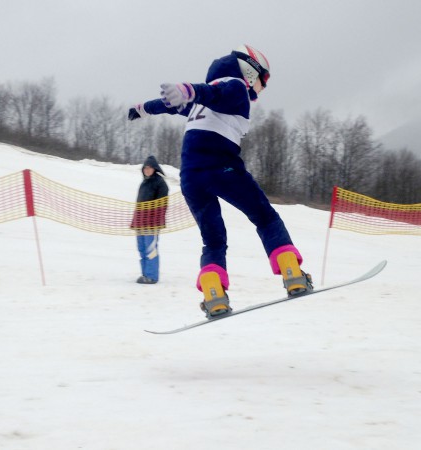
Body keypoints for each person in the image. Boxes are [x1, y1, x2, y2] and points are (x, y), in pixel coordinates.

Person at [127, 44, 313, 317]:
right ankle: (292, 273)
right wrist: (189, 89)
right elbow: (215, 92)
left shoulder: (199, 102)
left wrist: (143, 108)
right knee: (265, 217)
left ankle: (214, 295)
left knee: (213, 240)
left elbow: (170, 105)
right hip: (222, 168)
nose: (261, 90)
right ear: (250, 72)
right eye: (263, 82)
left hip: (191, 177)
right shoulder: (235, 87)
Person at [130, 155, 169, 284]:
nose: (147, 170)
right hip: (140, 222)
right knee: (141, 248)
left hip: (152, 224)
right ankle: (145, 274)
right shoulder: (144, 183)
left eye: (149, 168)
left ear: (155, 169)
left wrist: (156, 221)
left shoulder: (160, 183)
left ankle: (152, 276)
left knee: (150, 250)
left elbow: (162, 205)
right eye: (145, 168)